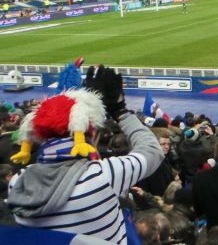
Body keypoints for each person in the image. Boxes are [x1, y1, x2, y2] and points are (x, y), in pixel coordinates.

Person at [7, 65, 164, 243]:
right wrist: (120, 111)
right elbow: (152, 151)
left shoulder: (18, 181)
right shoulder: (102, 176)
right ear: (91, 135)